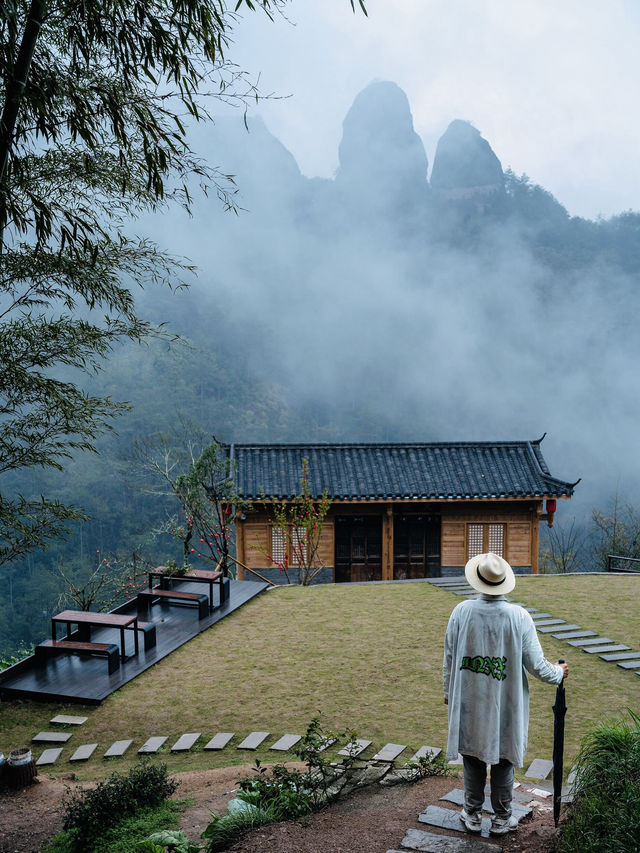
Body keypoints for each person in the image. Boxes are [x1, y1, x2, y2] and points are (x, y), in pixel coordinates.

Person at [442, 552, 569, 836]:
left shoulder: (461, 612)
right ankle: (502, 817)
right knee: (503, 756)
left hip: (469, 696)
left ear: (478, 581)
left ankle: (472, 813)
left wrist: (448, 691)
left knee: (472, 755)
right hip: (505, 699)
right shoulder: (518, 617)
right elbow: (536, 665)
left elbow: (449, 658)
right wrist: (559, 672)